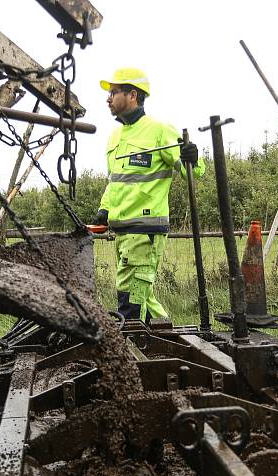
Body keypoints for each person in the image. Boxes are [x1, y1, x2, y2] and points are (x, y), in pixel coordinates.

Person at [93, 67, 205, 322]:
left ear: (132, 95)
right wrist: (105, 209)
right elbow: (117, 180)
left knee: (131, 297)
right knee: (141, 293)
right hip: (121, 230)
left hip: (145, 229)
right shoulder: (115, 135)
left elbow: (192, 172)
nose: (108, 98)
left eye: (113, 92)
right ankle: (173, 341)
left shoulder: (159, 130)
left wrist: (193, 158)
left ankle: (133, 348)